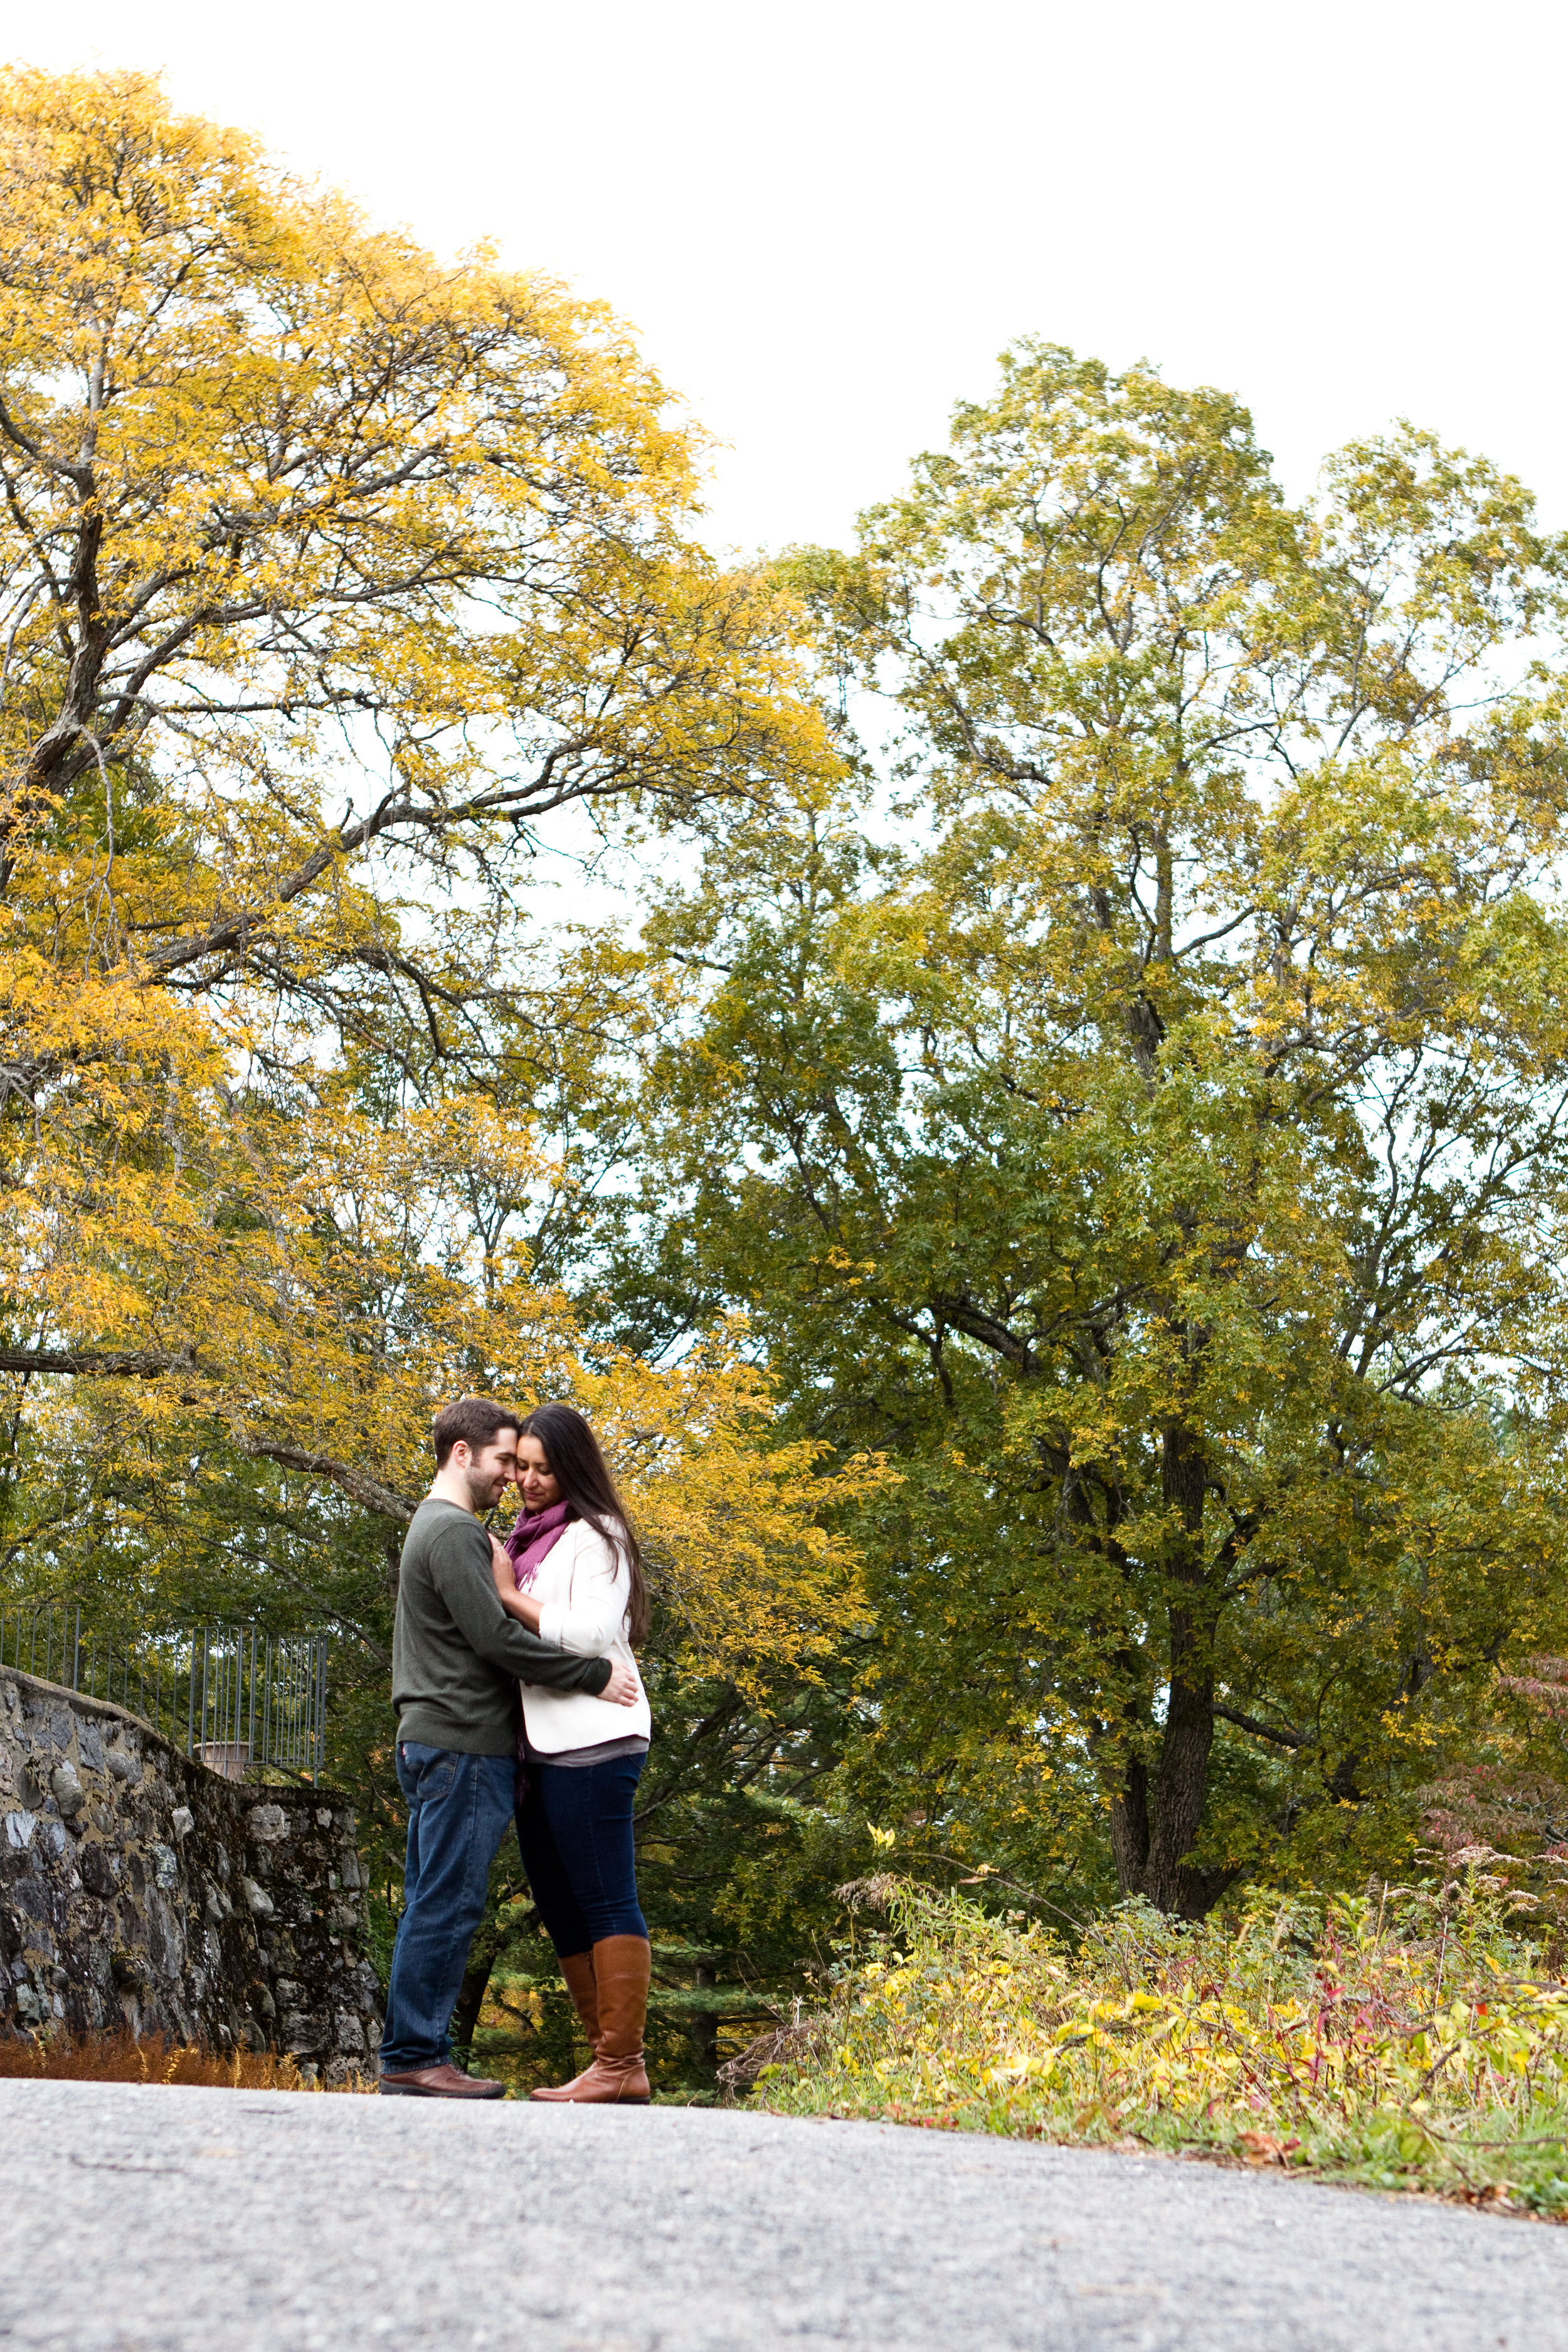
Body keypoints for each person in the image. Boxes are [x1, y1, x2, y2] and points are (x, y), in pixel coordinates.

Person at [379, 1395, 640, 2098]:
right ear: (461, 1454)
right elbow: (496, 1638)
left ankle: (417, 2051)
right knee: (449, 1901)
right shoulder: (456, 1534)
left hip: (452, 1741)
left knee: (436, 1897)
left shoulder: (451, 1531)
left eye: (527, 1466)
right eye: (505, 1461)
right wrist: (592, 1674)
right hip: (461, 1743)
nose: (512, 1479)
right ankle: (414, 2054)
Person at [489, 1401, 653, 2104]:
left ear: (573, 1468)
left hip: (596, 1738)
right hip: (540, 1749)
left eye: (544, 1469)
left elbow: (588, 1635)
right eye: (521, 1467)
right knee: (560, 1904)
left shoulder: (597, 1535)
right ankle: (604, 2060)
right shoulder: (529, 1541)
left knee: (604, 1896)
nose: (528, 1480)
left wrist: (504, 1594)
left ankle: (623, 2065)